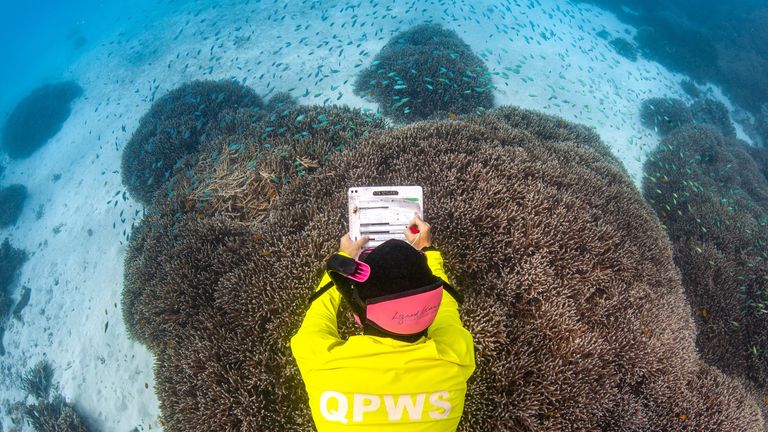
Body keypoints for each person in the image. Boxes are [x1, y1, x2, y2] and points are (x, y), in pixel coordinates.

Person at [291, 214, 475, 431]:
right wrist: (428, 251)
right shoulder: (456, 354)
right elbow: (446, 309)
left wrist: (343, 258)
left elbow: (319, 314)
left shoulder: (319, 360)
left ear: (357, 316)